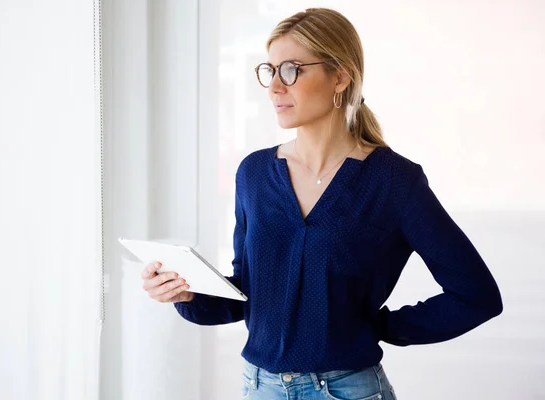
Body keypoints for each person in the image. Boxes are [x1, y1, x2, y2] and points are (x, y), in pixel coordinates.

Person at [140, 7, 503, 400]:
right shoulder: (255, 174)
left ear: (340, 76)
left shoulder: (395, 182)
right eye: (270, 70)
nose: (275, 86)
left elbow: (476, 296)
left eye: (292, 70)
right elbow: (247, 295)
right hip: (259, 389)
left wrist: (379, 327)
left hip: (348, 392)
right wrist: (188, 294)